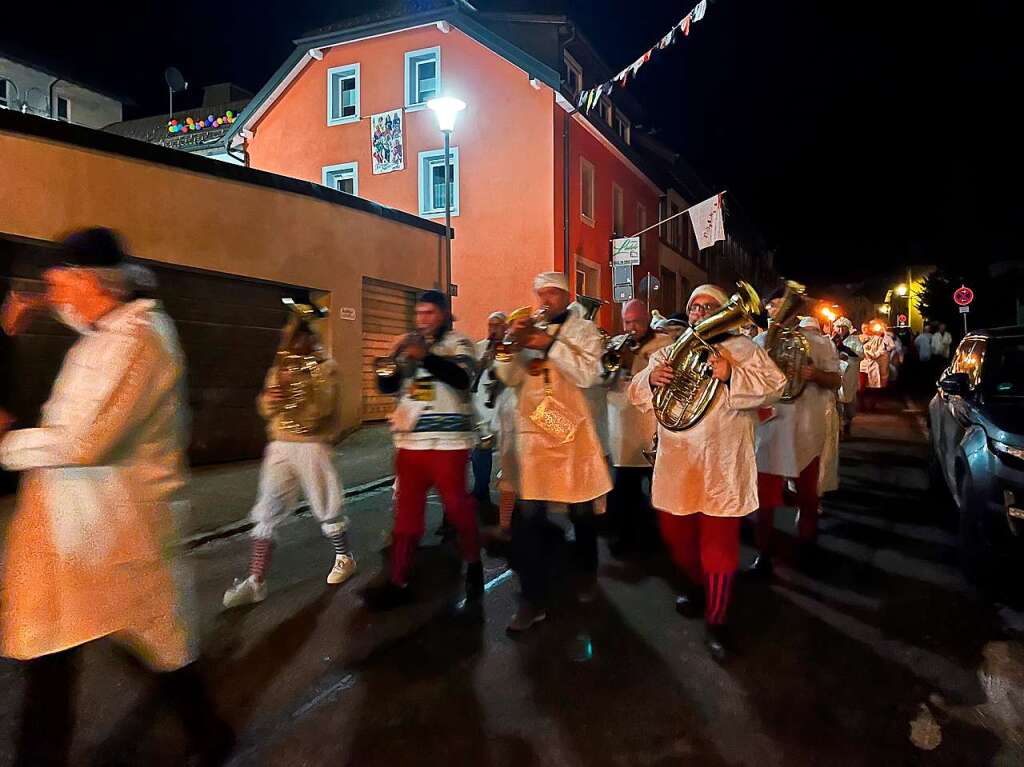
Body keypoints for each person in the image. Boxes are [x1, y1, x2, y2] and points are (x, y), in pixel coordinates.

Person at [0, 228, 232, 765]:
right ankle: (206, 731)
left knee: (151, 644)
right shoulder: (102, 332)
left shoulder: (140, 341)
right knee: (60, 649)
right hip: (75, 529)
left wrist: (8, 443)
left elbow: (87, 440)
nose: (55, 298)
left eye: (60, 285)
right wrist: (30, 310)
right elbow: (76, 312)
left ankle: (210, 733)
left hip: (121, 527)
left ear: (91, 283)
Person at [629, 284, 786, 661]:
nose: (699, 312)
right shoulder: (672, 348)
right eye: (693, 307)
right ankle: (699, 585)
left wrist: (731, 374)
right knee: (674, 533)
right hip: (678, 462)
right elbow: (637, 392)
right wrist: (651, 380)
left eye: (707, 306)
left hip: (723, 461)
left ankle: (717, 620)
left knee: (718, 547)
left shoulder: (745, 349)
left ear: (722, 312)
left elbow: (776, 387)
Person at [495, 272, 612, 632]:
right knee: (529, 518)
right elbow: (509, 377)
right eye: (540, 293)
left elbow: (589, 374)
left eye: (552, 293)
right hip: (534, 435)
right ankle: (531, 597)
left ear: (566, 295)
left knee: (581, 512)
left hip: (572, 434)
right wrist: (510, 348)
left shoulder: (584, 331)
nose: (545, 299)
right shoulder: (527, 327)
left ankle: (586, 571)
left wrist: (548, 344)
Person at [222, 303, 355, 609]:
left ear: (311, 339)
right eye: (291, 339)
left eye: (299, 338)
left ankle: (344, 557)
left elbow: (319, 413)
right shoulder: (280, 367)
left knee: (327, 506)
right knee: (266, 510)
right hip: (280, 443)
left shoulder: (326, 368)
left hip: (312, 444)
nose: (293, 345)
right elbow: (265, 408)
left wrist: (300, 387)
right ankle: (256, 582)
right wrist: (273, 396)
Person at [363, 290, 483, 609]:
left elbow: (463, 379)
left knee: (457, 507)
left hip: (448, 444)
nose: (422, 320)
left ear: (444, 314)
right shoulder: (409, 346)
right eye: (419, 314)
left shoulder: (460, 343)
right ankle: (398, 579)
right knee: (406, 514)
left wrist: (425, 356)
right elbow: (390, 386)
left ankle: (473, 562)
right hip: (410, 442)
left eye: (429, 313)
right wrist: (387, 366)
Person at [748, 304, 842, 579]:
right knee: (764, 500)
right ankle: (763, 554)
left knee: (807, 496)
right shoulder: (759, 342)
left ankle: (807, 547)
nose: (776, 313)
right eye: (772, 308)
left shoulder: (817, 342)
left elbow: (836, 380)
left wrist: (815, 375)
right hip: (770, 429)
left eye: (782, 306)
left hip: (805, 428)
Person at [605, 299, 672, 557]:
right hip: (623, 426)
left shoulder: (664, 344)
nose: (632, 327)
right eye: (627, 322)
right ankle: (622, 538)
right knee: (624, 488)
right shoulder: (615, 344)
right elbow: (602, 380)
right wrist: (615, 363)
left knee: (658, 487)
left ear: (647, 319)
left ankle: (660, 539)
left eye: (637, 321)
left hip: (652, 423)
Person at [470, 311, 507, 513]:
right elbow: (469, 377)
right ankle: (480, 492)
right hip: (482, 409)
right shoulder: (479, 348)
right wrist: (480, 364)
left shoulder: (510, 348)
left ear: (506, 327)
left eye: (498, 325)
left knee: (508, 455)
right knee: (481, 452)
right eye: (490, 325)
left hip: (504, 409)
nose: (493, 329)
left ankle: (511, 505)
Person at [833, 317, 861, 437]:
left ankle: (847, 423)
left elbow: (860, 354)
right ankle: (838, 428)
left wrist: (845, 349)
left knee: (848, 399)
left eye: (843, 327)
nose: (840, 330)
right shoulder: (833, 339)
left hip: (850, 373)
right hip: (837, 372)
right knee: (837, 400)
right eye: (838, 327)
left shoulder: (854, 340)